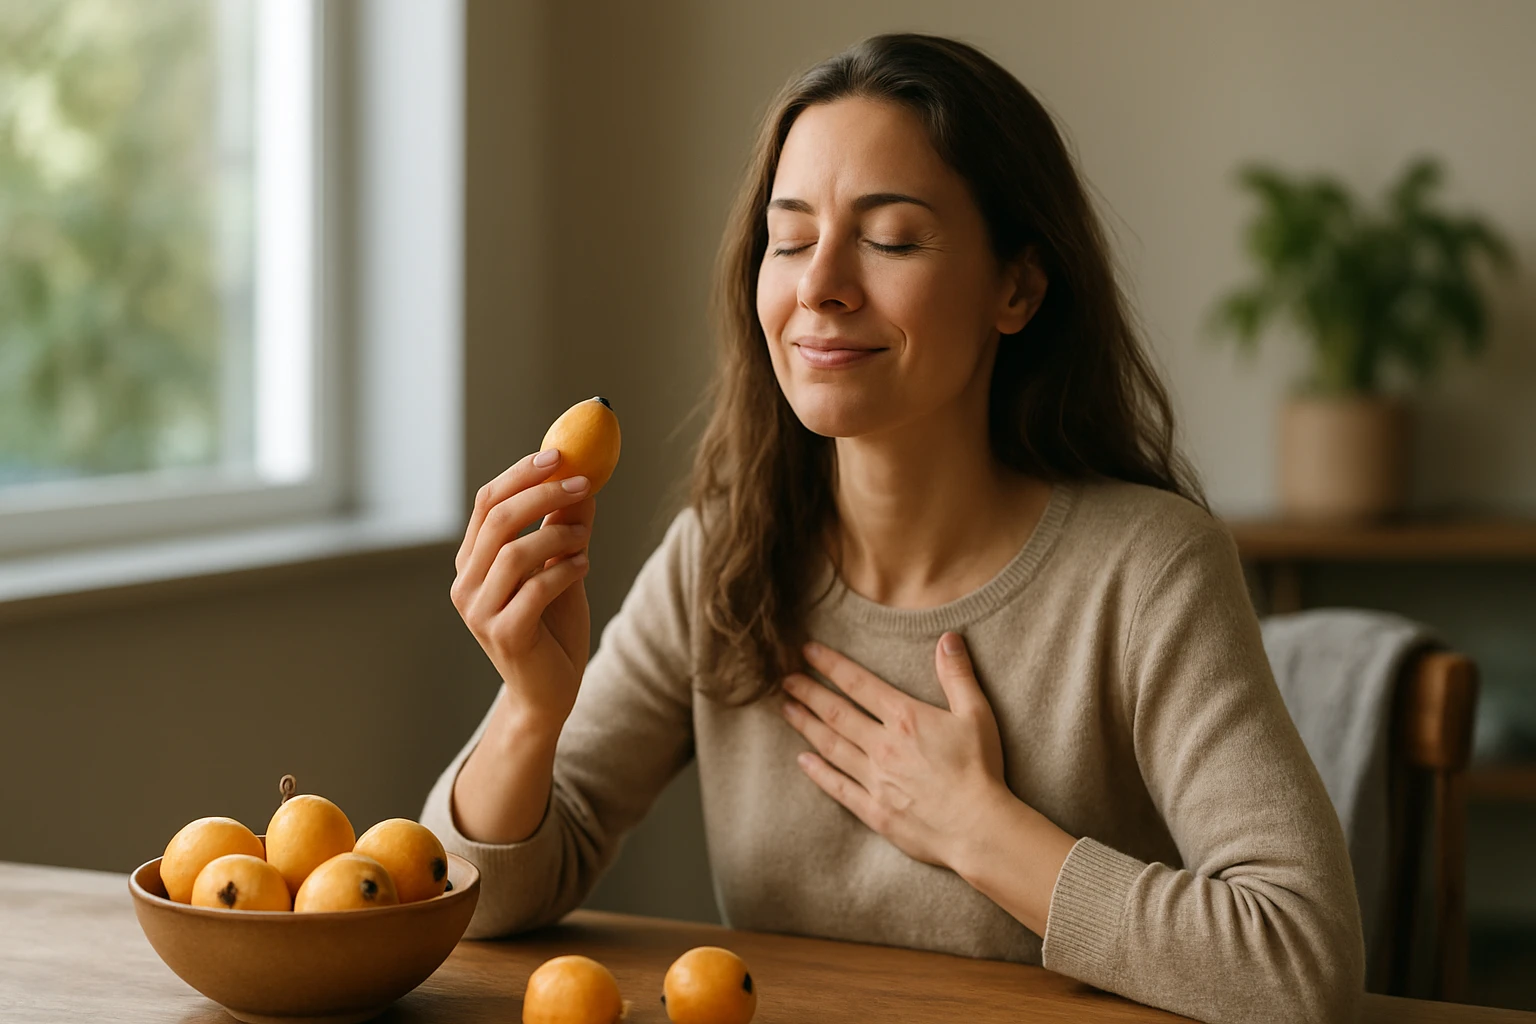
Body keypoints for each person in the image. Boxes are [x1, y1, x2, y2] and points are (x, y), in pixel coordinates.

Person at [423, 32, 1364, 1024]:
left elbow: (1299, 964)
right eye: (790, 240)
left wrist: (980, 832)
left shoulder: (1151, 570)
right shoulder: (721, 555)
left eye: (892, 240)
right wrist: (531, 707)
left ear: (1018, 288)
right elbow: (470, 899)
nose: (819, 285)